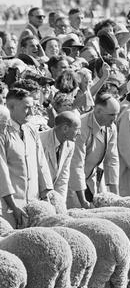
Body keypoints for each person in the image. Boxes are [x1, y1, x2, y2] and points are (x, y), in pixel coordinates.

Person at [0, 88, 53, 228]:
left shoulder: (31, 129)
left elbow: (41, 163)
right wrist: (12, 206)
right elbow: (2, 171)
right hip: (10, 207)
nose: (31, 113)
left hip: (33, 204)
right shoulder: (2, 132)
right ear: (10, 107)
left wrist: (46, 196)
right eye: (26, 108)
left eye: (32, 108)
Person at [68, 92, 120, 209]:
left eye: (116, 114)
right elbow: (76, 164)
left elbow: (112, 160)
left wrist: (116, 195)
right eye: (111, 114)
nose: (115, 118)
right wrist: (83, 201)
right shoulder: (80, 126)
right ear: (98, 111)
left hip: (93, 180)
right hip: (74, 185)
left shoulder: (111, 128)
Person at [39, 111, 80, 198]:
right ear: (65, 128)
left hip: (50, 195)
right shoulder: (39, 141)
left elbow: (63, 177)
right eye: (77, 129)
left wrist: (60, 203)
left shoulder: (70, 145)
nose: (79, 133)